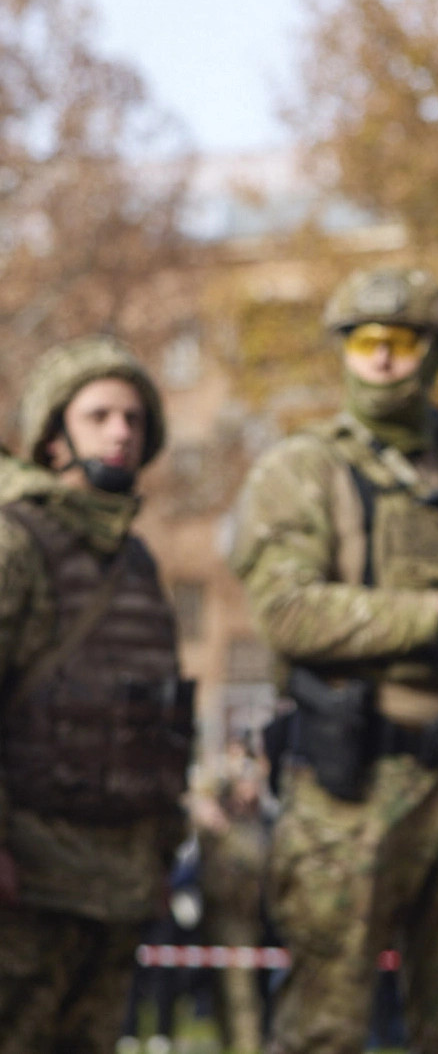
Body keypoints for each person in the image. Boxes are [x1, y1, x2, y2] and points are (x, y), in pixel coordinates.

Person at [228, 267, 438, 1054]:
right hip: (351, 787)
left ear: (435, 356)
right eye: (364, 342)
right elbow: (287, 610)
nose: (382, 360)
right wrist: (429, 623)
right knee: (323, 1026)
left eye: (401, 342)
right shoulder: (304, 470)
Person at [0, 336, 192, 1054]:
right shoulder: (15, 542)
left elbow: (157, 714)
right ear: (52, 436)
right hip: (30, 883)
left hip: (117, 879)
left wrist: (163, 846)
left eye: (135, 419)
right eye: (100, 415)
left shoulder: (135, 558)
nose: (122, 432)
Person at [196, 757, 273, 1054]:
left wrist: (224, 829)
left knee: (241, 997)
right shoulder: (212, 825)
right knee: (218, 996)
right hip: (212, 915)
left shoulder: (251, 827)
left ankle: (247, 1047)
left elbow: (257, 860)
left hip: (240, 921)